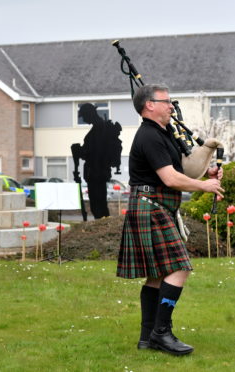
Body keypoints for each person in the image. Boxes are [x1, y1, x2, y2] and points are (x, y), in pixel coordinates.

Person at [117, 84, 223, 356]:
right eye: (166, 101)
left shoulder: (163, 134)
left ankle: (147, 337)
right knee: (179, 268)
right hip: (151, 206)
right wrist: (204, 188)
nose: (171, 106)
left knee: (156, 276)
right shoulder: (149, 137)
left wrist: (207, 172)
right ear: (149, 105)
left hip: (156, 206)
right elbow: (171, 179)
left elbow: (180, 169)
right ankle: (161, 333)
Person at [74, 103, 122, 219]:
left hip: (96, 173)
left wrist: (79, 151)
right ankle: (102, 223)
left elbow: (94, 152)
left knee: (98, 205)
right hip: (99, 172)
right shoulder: (99, 127)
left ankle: (102, 225)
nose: (84, 119)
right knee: (99, 203)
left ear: (89, 114)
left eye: (84, 116)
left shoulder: (99, 129)